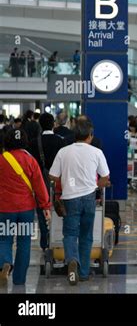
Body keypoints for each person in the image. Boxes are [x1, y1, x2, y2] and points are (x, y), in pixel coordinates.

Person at [49, 118, 110, 285]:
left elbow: (53, 176)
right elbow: (105, 178)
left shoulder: (63, 151)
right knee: (86, 236)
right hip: (89, 198)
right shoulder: (97, 152)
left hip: (70, 198)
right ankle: (83, 273)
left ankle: (72, 260)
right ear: (90, 136)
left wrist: (66, 176)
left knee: (69, 234)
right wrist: (94, 186)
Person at [0, 129, 50, 286]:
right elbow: (40, 186)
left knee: (4, 239)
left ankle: (5, 264)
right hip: (26, 210)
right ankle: (19, 279)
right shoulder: (31, 160)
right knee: (24, 242)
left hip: (5, 208)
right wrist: (45, 206)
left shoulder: (1, 159)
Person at [29, 113, 66, 251]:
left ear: (40, 125)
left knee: (42, 212)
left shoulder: (33, 142)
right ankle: (58, 239)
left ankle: (45, 241)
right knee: (59, 210)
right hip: (58, 184)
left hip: (40, 184)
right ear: (53, 124)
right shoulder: (61, 141)